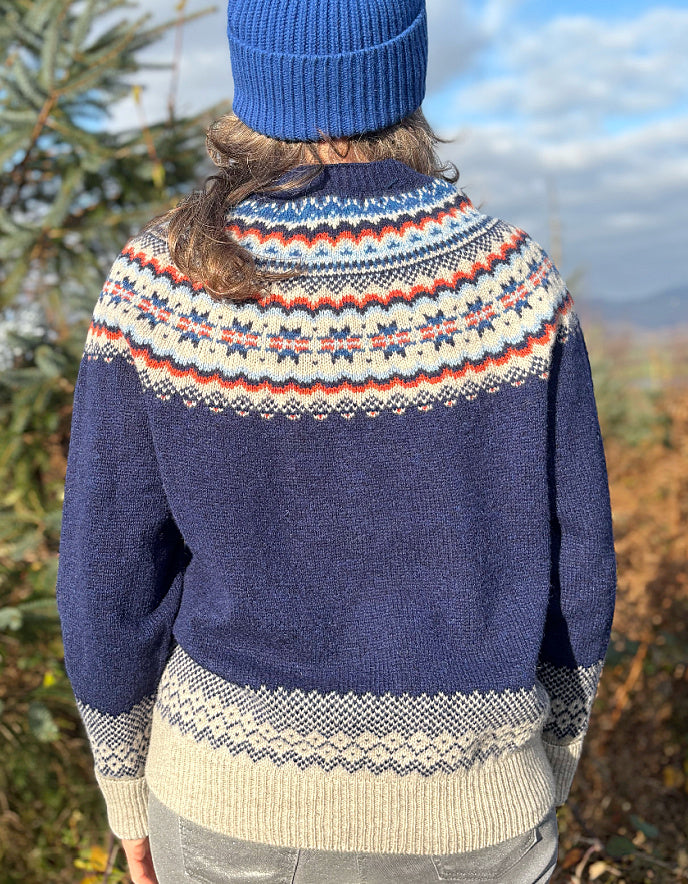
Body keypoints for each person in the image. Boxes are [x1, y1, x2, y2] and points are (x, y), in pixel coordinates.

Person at [55, 0, 617, 882]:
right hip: (471, 813)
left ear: (253, 75)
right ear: (407, 70)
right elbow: (578, 568)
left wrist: (125, 789)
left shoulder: (162, 281)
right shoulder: (514, 283)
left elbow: (107, 571)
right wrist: (537, 767)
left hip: (224, 804)